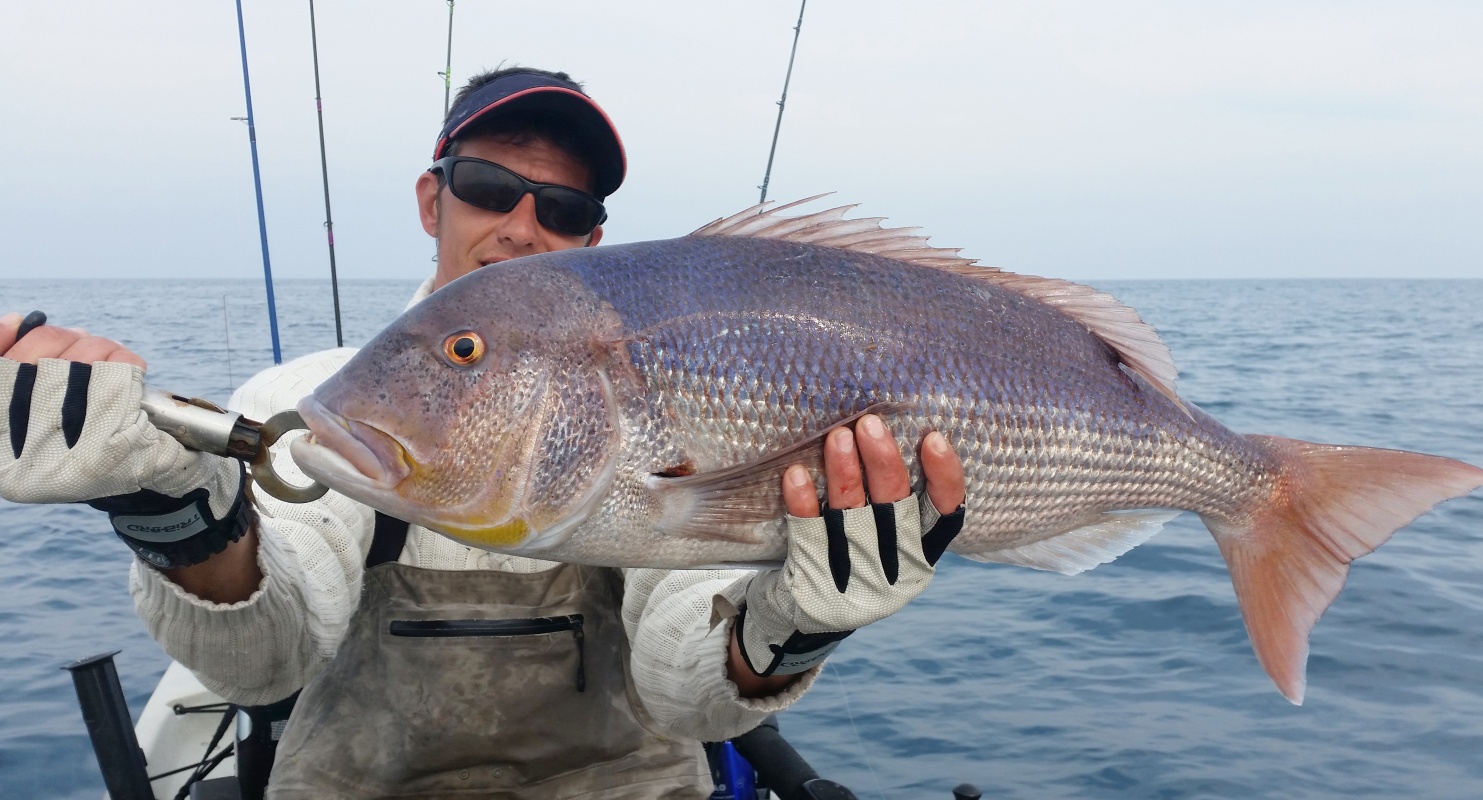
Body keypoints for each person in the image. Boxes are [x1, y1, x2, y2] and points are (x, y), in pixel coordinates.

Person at [0, 67, 965, 799]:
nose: (521, 224)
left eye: (567, 207)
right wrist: (179, 518)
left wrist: (789, 628)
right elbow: (266, 664)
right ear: (434, 199)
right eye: (488, 184)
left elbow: (691, 699)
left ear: (592, 240)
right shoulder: (306, 398)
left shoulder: (659, 399)